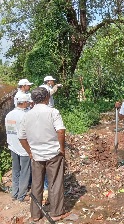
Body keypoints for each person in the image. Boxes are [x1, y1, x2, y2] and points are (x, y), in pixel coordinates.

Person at [18, 87, 69, 222]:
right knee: (55, 183)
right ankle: (56, 213)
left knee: (36, 183)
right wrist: (62, 149)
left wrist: (30, 152)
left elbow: (21, 137)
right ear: (47, 97)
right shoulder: (53, 112)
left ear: (33, 100)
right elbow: (61, 131)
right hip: (53, 153)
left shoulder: (27, 115)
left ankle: (35, 214)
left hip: (36, 155)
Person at [5, 94, 32, 202]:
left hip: (12, 146)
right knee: (25, 171)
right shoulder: (24, 116)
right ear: (24, 103)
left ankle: (14, 193)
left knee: (16, 170)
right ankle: (21, 195)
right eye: (28, 102)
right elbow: (27, 133)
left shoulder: (9, 114)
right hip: (23, 148)